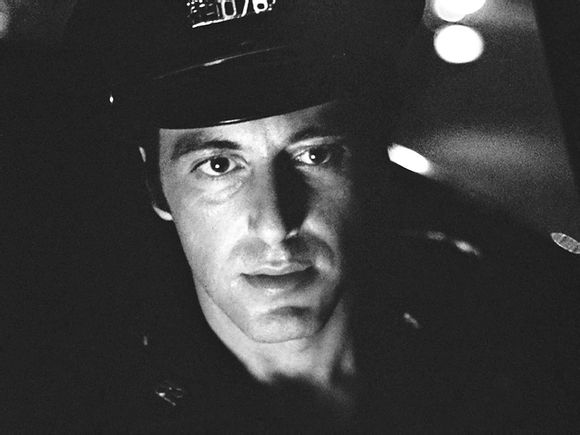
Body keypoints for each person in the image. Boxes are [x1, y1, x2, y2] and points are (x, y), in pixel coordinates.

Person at [53, 0, 575, 432]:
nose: (275, 224)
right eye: (218, 165)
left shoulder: (516, 341)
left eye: (314, 154)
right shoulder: (86, 405)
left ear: (372, 162)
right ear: (156, 186)